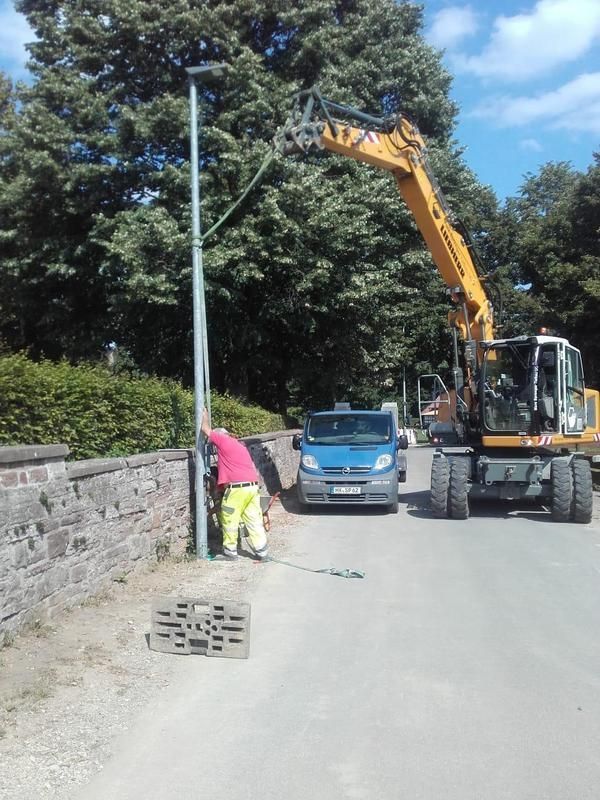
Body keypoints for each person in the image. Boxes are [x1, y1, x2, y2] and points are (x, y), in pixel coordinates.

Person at [201, 408, 269, 561]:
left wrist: (204, 413)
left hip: (238, 489)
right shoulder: (239, 445)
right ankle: (262, 552)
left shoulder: (222, 440)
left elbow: (205, 429)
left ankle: (230, 552)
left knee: (229, 518)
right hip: (252, 487)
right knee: (253, 519)